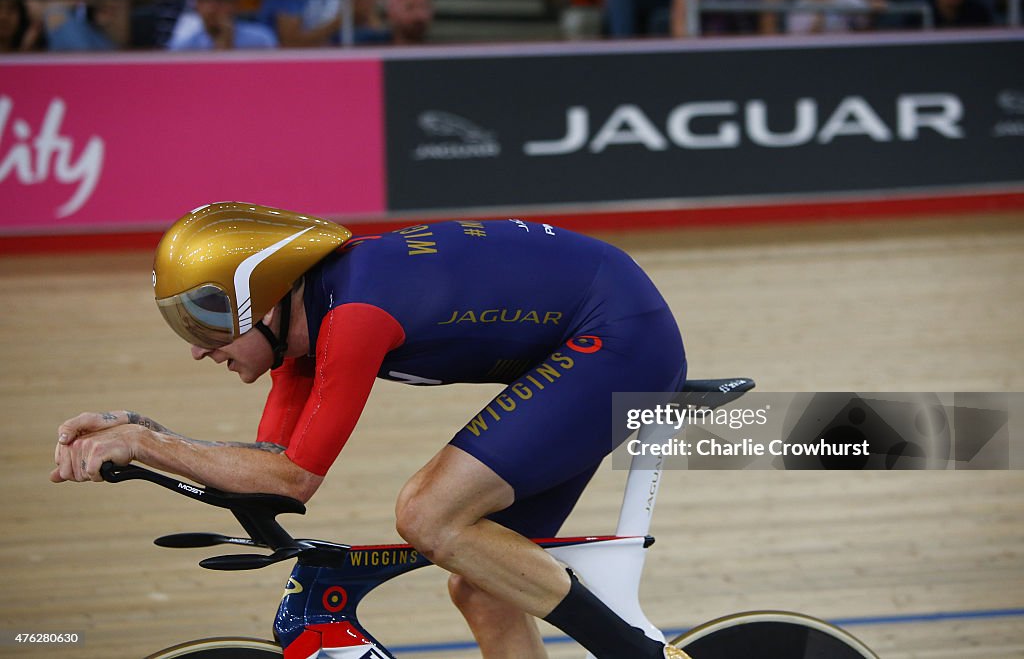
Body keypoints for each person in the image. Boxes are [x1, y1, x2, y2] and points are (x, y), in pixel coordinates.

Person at [51, 203, 690, 659]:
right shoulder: (301, 336)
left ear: (267, 296)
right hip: (593, 331)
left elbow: (294, 479)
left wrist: (145, 442)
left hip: (621, 337)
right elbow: (270, 475)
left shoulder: (354, 314)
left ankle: (638, 654)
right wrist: (137, 435)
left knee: (428, 513)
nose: (198, 349)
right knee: (486, 586)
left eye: (207, 323)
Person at [169, 0, 277, 50]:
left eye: (221, 0)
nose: (213, 7)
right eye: (206, 0)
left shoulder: (261, 39)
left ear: (235, 5)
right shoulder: (185, 46)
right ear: (196, 5)